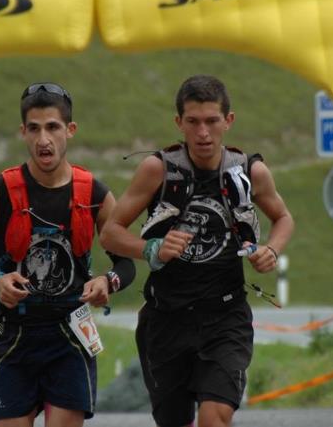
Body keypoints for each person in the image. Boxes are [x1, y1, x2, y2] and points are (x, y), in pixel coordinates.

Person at [100, 74, 294, 427]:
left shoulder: (250, 172)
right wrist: (152, 247)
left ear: (228, 121)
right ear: (179, 123)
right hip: (166, 318)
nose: (203, 133)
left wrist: (271, 250)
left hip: (225, 316)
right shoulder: (157, 169)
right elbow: (110, 234)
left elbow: (283, 218)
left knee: (214, 415)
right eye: (193, 122)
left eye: (212, 121)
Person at [0, 82, 135, 427]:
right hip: (13, 336)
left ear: (70, 130)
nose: (43, 139)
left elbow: (125, 264)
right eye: (33, 129)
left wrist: (106, 282)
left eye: (52, 127)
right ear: (23, 132)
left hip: (70, 335)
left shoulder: (94, 192)